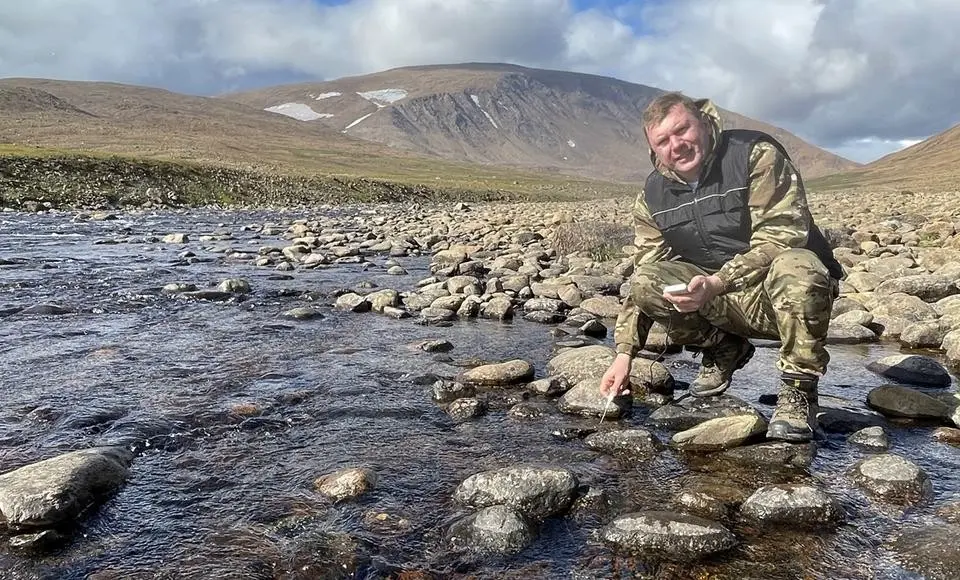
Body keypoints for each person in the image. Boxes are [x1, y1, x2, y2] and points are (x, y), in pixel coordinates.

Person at [599, 92, 843, 443]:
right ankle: (725, 347)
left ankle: (798, 392)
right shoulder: (652, 195)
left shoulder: (754, 155)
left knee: (798, 266)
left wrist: (718, 282)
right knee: (647, 282)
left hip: (777, 298)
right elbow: (647, 270)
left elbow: (781, 238)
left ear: (705, 121)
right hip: (718, 300)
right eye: (663, 141)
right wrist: (624, 355)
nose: (676, 146)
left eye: (682, 130)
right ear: (653, 148)